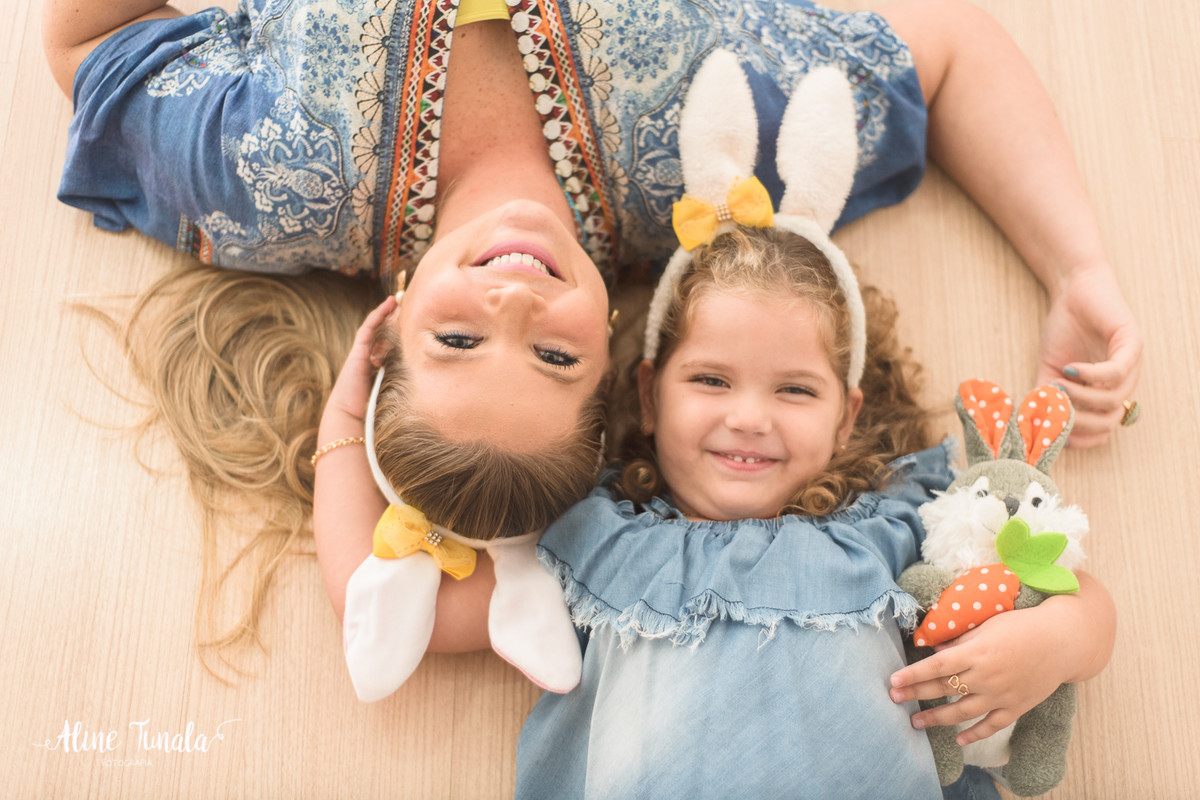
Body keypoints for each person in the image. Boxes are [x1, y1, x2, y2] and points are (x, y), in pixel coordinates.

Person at [44, 0, 1133, 668]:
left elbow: (88, 40)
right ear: (620, 361)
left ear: (388, 331)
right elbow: (946, 48)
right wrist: (1079, 268)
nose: (513, 307)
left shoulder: (269, 181)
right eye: (554, 357)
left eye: (455, 343)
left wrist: (342, 439)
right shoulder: (723, 166)